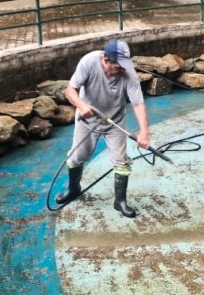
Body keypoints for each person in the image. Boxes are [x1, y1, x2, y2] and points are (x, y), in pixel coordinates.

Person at [55, 39, 151, 218]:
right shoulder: (89, 62)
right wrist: (81, 106)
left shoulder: (128, 73)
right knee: (77, 156)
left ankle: (119, 201)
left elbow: (138, 104)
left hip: (114, 121)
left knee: (121, 161)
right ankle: (73, 189)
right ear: (106, 60)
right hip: (87, 119)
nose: (122, 69)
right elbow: (70, 90)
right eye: (118, 65)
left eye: (124, 64)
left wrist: (144, 131)